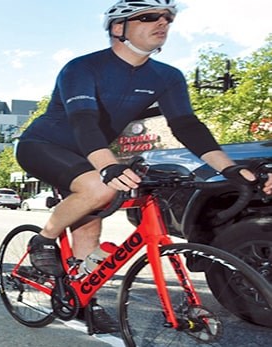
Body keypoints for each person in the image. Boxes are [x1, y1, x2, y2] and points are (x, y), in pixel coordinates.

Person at [15, 0, 272, 334]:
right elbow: (83, 120)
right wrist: (108, 166)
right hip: (43, 146)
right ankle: (44, 240)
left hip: (89, 156)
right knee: (98, 188)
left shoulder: (166, 76)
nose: (162, 22)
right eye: (149, 17)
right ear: (118, 28)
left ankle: (82, 299)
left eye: (168, 18)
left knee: (90, 226)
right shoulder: (81, 68)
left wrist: (231, 169)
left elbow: (187, 126)